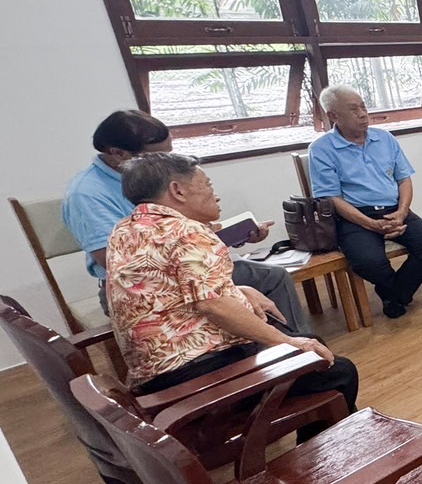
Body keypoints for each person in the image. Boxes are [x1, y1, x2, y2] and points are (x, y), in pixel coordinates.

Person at [107, 153, 357, 427]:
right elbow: (213, 306)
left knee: (309, 343)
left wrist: (241, 290)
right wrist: (290, 343)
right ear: (177, 190)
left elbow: (174, 290)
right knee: (336, 369)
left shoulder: (125, 230)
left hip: (157, 376)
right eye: (208, 185)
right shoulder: (187, 231)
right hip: (197, 377)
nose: (216, 196)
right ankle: (324, 454)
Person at [62, 109, 308, 329]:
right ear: (118, 154)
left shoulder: (150, 176)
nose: (166, 162)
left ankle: (288, 353)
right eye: (157, 156)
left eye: (169, 153)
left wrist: (229, 234)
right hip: (145, 287)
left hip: (189, 268)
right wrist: (198, 248)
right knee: (271, 278)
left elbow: (179, 230)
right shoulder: (87, 194)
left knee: (267, 275)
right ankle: (296, 356)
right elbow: (116, 262)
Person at [307, 86, 422, 319]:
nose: (363, 114)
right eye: (353, 110)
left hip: (394, 210)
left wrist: (402, 213)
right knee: (369, 262)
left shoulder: (384, 138)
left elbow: (404, 179)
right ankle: (396, 294)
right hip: (355, 216)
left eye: (363, 106)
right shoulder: (321, 149)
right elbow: (330, 197)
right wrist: (370, 225)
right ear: (333, 116)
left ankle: (393, 294)